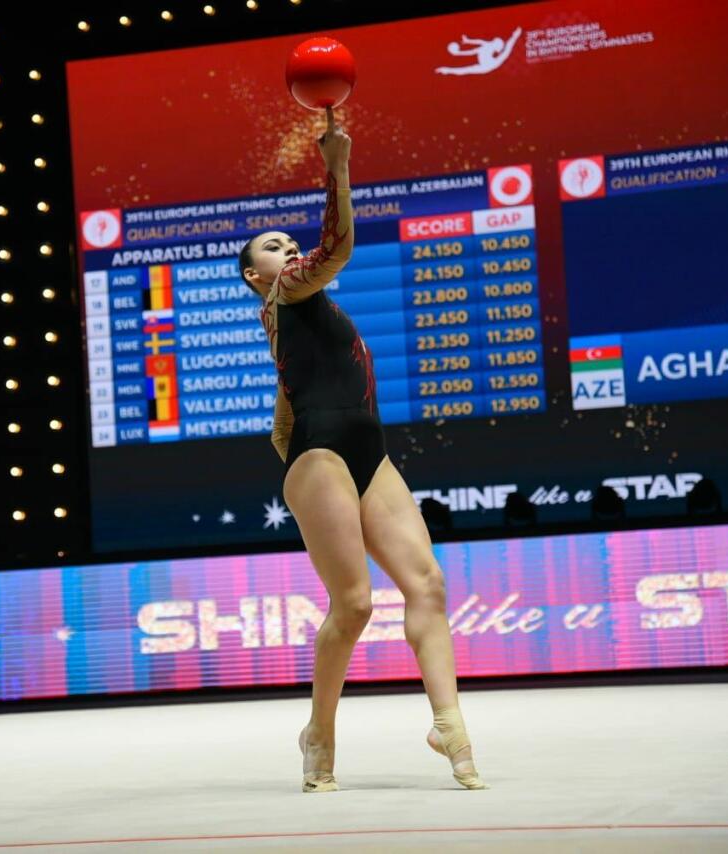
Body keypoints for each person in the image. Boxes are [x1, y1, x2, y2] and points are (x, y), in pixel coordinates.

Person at [237, 106, 489, 794]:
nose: (288, 250)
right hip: (323, 457)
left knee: (427, 585)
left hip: (366, 454)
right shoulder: (285, 292)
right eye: (274, 247)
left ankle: (448, 724)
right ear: (258, 276)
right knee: (352, 605)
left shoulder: (304, 317)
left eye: (290, 243)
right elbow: (337, 249)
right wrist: (338, 168)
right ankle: (319, 732)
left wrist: (299, 454)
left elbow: (282, 418)